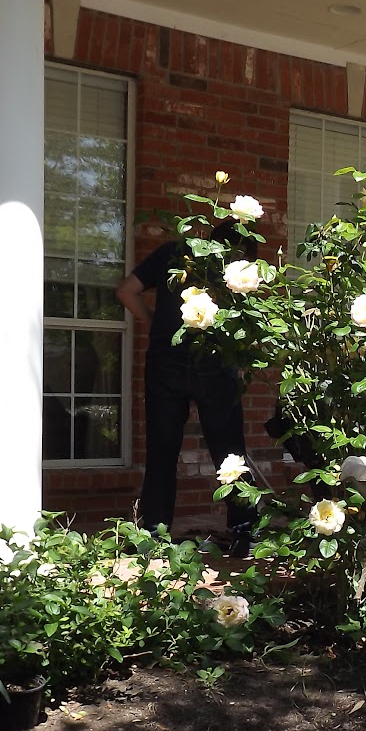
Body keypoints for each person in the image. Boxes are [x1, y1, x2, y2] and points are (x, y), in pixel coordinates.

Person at [117, 222, 255, 552]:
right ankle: (243, 533)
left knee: (161, 450)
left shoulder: (172, 253)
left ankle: (153, 534)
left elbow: (125, 291)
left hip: (166, 362)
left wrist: (156, 324)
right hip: (214, 362)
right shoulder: (234, 270)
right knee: (229, 453)